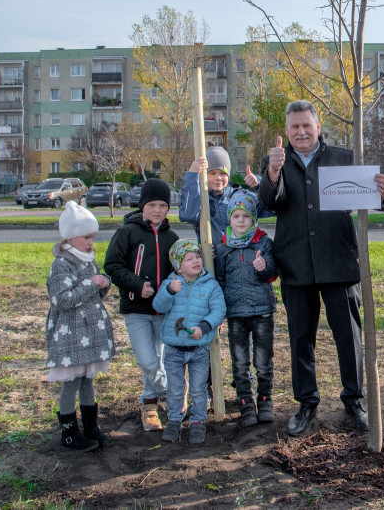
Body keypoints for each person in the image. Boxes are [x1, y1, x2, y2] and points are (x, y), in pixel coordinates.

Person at [258, 99, 384, 436]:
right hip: (296, 263)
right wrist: (272, 173)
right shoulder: (276, 161)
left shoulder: (346, 159)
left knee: (348, 335)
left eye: (307, 126)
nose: (301, 132)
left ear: (318, 127)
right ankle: (307, 403)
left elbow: (373, 199)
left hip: (339, 260)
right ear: (286, 132)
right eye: (294, 127)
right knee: (300, 338)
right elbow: (269, 203)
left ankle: (354, 400)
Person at [103, 178, 179, 432]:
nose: (157, 210)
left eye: (162, 205)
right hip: (136, 310)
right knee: (148, 360)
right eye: (152, 205)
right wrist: (137, 285)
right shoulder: (127, 232)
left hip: (164, 310)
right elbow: (112, 266)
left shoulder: (173, 238)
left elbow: (184, 266)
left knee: (161, 358)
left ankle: (150, 404)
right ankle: (173, 391)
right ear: (142, 205)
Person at [44, 202, 116, 452]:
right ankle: (70, 433)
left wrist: (102, 284)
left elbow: (93, 295)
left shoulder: (87, 261)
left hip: (88, 335)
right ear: (71, 236)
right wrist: (90, 284)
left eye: (92, 237)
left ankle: (90, 427)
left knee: (87, 381)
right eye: (86, 237)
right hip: (71, 336)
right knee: (72, 382)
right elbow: (62, 300)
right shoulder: (62, 264)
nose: (90, 242)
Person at [153, 240, 227, 445]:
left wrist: (203, 327)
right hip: (174, 349)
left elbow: (219, 310)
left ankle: (197, 422)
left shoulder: (210, 284)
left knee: (198, 388)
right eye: (189, 258)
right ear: (178, 265)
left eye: (197, 256)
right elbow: (158, 305)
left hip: (199, 349)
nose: (196, 261)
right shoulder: (171, 283)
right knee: (175, 388)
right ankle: (175, 420)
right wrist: (169, 291)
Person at [214, 191, 278, 428]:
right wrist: (218, 311)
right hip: (235, 314)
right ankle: (245, 404)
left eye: (246, 217)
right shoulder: (222, 248)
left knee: (263, 361)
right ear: (230, 219)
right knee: (239, 362)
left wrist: (264, 266)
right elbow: (219, 280)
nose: (241, 221)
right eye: (236, 216)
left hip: (261, 311)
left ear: (253, 218)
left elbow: (272, 273)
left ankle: (265, 401)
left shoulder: (263, 242)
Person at [179, 145, 270, 242]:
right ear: (204, 175)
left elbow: (272, 206)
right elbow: (187, 215)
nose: (218, 177)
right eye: (212, 173)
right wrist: (193, 175)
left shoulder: (241, 197)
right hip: (213, 256)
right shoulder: (200, 200)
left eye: (223, 173)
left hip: (242, 256)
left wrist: (260, 183)